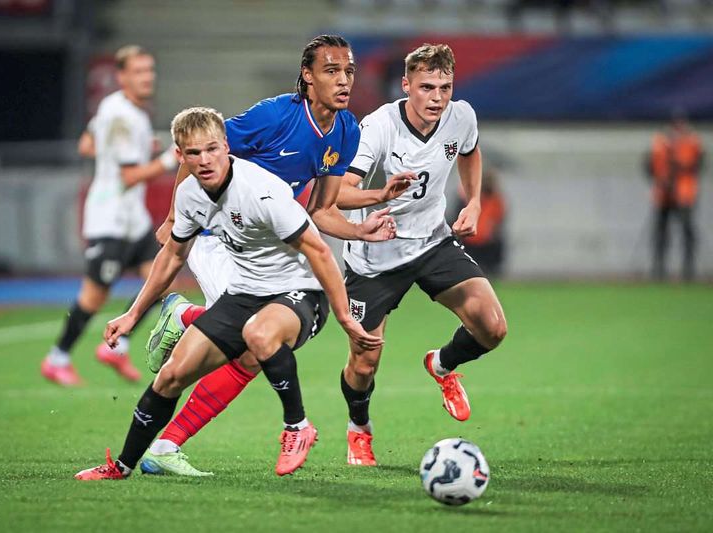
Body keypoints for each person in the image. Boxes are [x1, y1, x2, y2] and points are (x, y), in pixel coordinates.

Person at [136, 35, 412, 477]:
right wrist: (175, 217)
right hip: (216, 235)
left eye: (349, 71)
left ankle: (167, 440)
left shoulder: (345, 130)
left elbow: (319, 211)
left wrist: (364, 226)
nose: (344, 80)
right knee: (248, 338)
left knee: (253, 349)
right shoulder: (274, 116)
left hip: (263, 242)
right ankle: (186, 326)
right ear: (307, 76)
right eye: (331, 71)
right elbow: (203, 149)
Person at [74, 107, 383, 480]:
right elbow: (172, 255)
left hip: (299, 292)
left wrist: (345, 316)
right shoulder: (189, 195)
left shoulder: (261, 191)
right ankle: (121, 466)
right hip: (244, 292)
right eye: (193, 153)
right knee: (171, 376)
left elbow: (318, 250)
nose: (204, 161)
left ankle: (298, 426)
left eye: (211, 149)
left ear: (226, 146)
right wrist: (133, 314)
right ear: (180, 157)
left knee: (259, 335)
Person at [335, 43, 508, 466]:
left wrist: (472, 202)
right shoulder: (377, 127)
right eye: (426, 87)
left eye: (445, 87)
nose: (437, 97)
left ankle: (442, 364)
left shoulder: (461, 115)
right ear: (406, 85)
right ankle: (359, 429)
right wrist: (379, 197)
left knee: (492, 327)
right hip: (375, 255)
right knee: (364, 361)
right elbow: (337, 193)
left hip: (432, 241)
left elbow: (469, 151)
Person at [41, 45, 180, 386]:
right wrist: (169, 158)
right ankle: (57, 358)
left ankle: (116, 348)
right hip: (110, 218)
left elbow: (86, 145)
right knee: (94, 296)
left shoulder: (118, 109)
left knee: (161, 279)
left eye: (150, 70)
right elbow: (129, 176)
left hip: (132, 218)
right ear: (121, 77)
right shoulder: (122, 116)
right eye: (138, 71)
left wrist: (124, 149)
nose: (147, 77)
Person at [646, 115, 704, 281]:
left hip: (684, 193)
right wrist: (660, 180)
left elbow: (699, 165)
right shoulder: (660, 141)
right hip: (663, 194)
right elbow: (649, 165)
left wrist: (681, 169)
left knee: (687, 232)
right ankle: (659, 269)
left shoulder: (692, 141)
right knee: (661, 233)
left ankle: (688, 269)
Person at [451, 167, 507, 277]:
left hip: (486, 243)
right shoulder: (468, 198)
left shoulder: (495, 200)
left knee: (485, 273)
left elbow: (498, 221)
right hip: (470, 241)